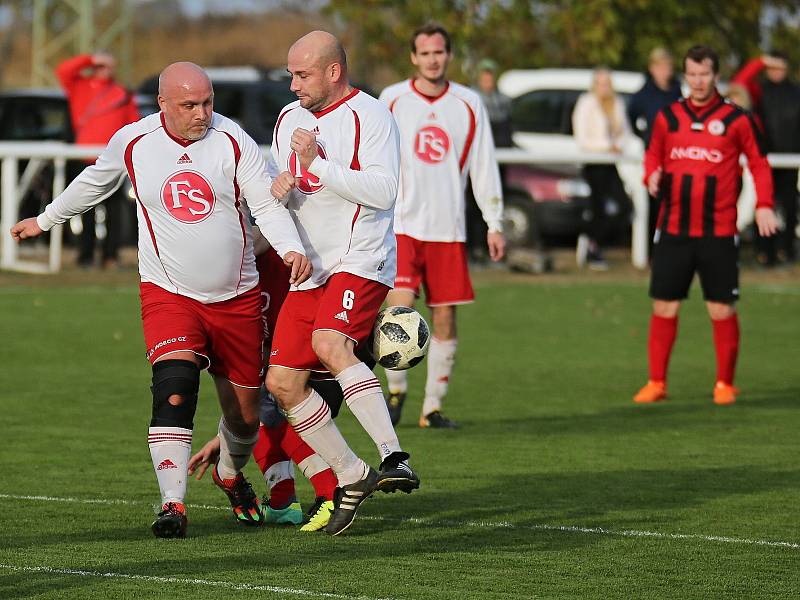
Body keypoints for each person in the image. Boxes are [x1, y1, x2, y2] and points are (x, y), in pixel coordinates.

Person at [10, 62, 312, 538]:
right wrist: (45, 220)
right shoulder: (134, 140)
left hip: (237, 297)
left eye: (208, 102)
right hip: (168, 291)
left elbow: (265, 203)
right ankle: (173, 503)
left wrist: (290, 246)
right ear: (164, 104)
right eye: (190, 105)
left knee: (244, 416)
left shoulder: (232, 140)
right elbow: (96, 182)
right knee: (174, 384)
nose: (202, 113)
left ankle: (230, 473)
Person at [264, 31, 420, 537]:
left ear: (333, 71)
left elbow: (383, 191)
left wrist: (317, 165)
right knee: (282, 383)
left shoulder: (371, 116)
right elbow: (285, 194)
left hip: (361, 256)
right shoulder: (289, 119)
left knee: (329, 343)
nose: (293, 85)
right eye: (290, 74)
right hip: (311, 267)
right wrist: (283, 190)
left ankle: (394, 455)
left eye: (302, 75)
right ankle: (352, 474)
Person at [633, 45, 778, 406]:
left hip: (717, 231)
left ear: (716, 76)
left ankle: (724, 385)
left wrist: (763, 205)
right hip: (673, 229)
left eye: (705, 74)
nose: (698, 82)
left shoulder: (737, 120)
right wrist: (651, 176)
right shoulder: (669, 117)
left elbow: (760, 164)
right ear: (685, 76)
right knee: (664, 306)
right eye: (692, 75)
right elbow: (653, 154)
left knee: (721, 308)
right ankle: (657, 383)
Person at [378, 23, 505, 430]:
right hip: (401, 223)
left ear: (449, 56)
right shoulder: (392, 99)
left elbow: (485, 165)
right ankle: (395, 387)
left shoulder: (468, 103)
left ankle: (432, 408)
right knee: (398, 307)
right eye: (425, 53)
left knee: (446, 317)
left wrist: (494, 222)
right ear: (414, 58)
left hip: (448, 228)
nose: (433, 59)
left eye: (439, 52)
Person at [55, 52, 140, 269]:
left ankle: (110, 256)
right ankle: (86, 256)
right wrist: (91, 59)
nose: (105, 70)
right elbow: (63, 70)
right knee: (84, 209)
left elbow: (134, 125)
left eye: (108, 66)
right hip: (84, 159)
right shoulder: (79, 86)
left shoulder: (122, 93)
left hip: (113, 162)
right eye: (101, 66)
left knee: (114, 211)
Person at [733, 52, 800, 266]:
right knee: (764, 204)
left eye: (780, 67)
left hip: (791, 157)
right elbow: (738, 83)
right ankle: (764, 251)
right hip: (764, 158)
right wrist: (761, 62)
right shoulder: (759, 91)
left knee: (789, 205)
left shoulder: (795, 92)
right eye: (772, 67)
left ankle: (786, 250)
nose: (776, 71)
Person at [572, 67, 633, 270]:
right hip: (594, 162)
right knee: (599, 208)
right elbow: (582, 137)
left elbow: (625, 132)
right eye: (600, 83)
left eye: (607, 83)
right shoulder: (586, 103)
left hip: (611, 163)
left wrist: (618, 146)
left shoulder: (617, 103)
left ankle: (590, 239)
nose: (604, 87)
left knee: (623, 207)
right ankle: (593, 248)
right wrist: (607, 147)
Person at [627, 48, 683, 247]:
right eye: (660, 66)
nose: (665, 70)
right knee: (655, 201)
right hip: (654, 154)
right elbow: (631, 118)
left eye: (667, 65)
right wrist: (644, 137)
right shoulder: (644, 94)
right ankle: (654, 248)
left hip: (676, 153)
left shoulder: (677, 90)